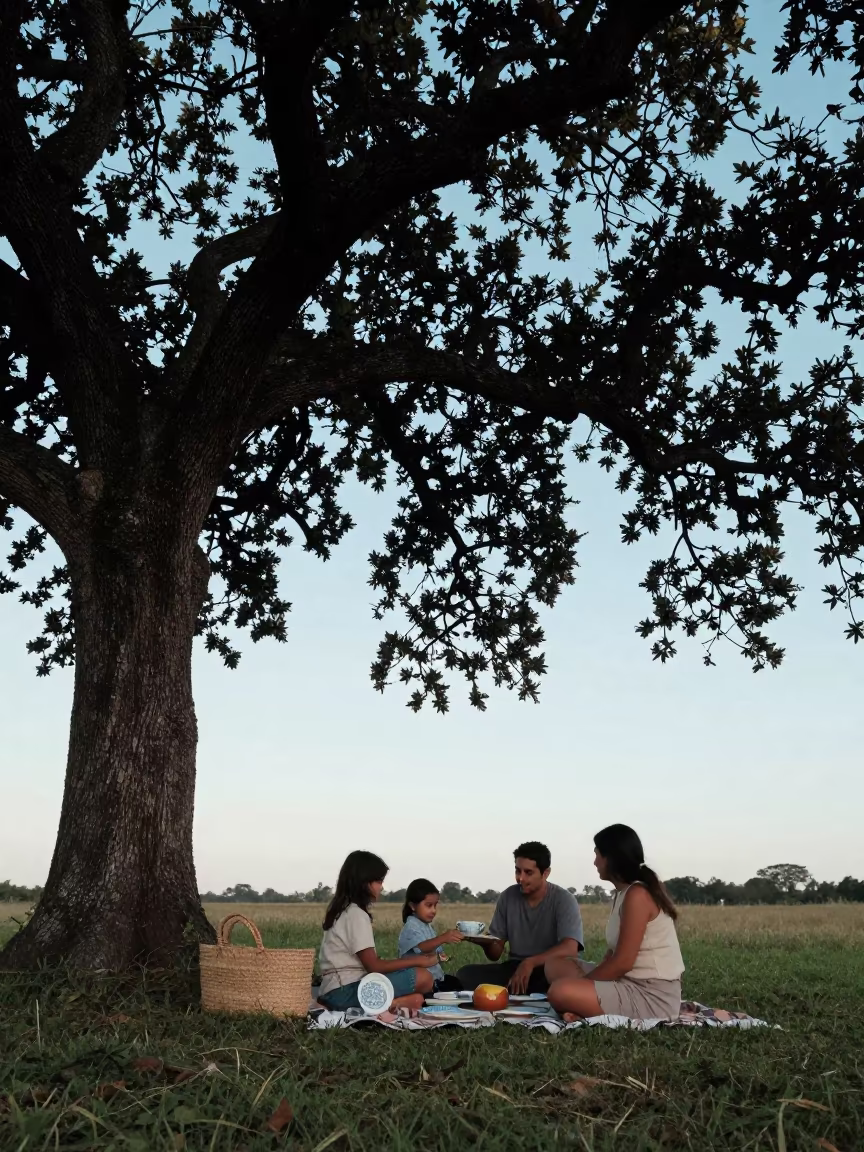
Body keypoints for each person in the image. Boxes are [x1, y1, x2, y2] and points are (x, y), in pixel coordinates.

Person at [546, 824, 684, 1021]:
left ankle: (579, 1006)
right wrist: (588, 986)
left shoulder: (638, 895)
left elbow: (622, 963)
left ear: (610, 858)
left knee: (560, 992)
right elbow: (612, 954)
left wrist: (583, 986)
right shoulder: (623, 893)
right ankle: (581, 1005)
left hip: (651, 995)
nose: (594, 862)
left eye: (597, 855)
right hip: (624, 981)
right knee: (554, 966)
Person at [456, 841, 583, 994]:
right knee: (465, 974)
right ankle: (519, 992)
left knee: (564, 982)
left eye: (528, 873)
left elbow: (570, 949)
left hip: (549, 968)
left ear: (546, 873)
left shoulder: (564, 899)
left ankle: (519, 993)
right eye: (518, 871)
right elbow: (495, 954)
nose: (520, 878)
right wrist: (484, 942)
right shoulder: (508, 897)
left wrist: (530, 963)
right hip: (515, 967)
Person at [317, 850, 437, 1011]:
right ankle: (388, 1005)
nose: (381, 887)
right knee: (424, 977)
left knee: (416, 992)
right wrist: (419, 960)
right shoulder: (355, 914)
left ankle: (397, 1003)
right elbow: (374, 966)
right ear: (363, 882)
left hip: (334, 990)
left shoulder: (342, 910)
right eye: (379, 881)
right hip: (343, 993)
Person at [398, 878, 465, 992]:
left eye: (435, 905)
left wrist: (443, 956)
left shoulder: (425, 925)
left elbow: (435, 950)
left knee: (456, 984)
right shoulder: (411, 926)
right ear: (413, 906)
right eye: (429, 905)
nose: (433, 910)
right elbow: (421, 947)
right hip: (421, 982)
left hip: (436, 978)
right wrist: (443, 938)